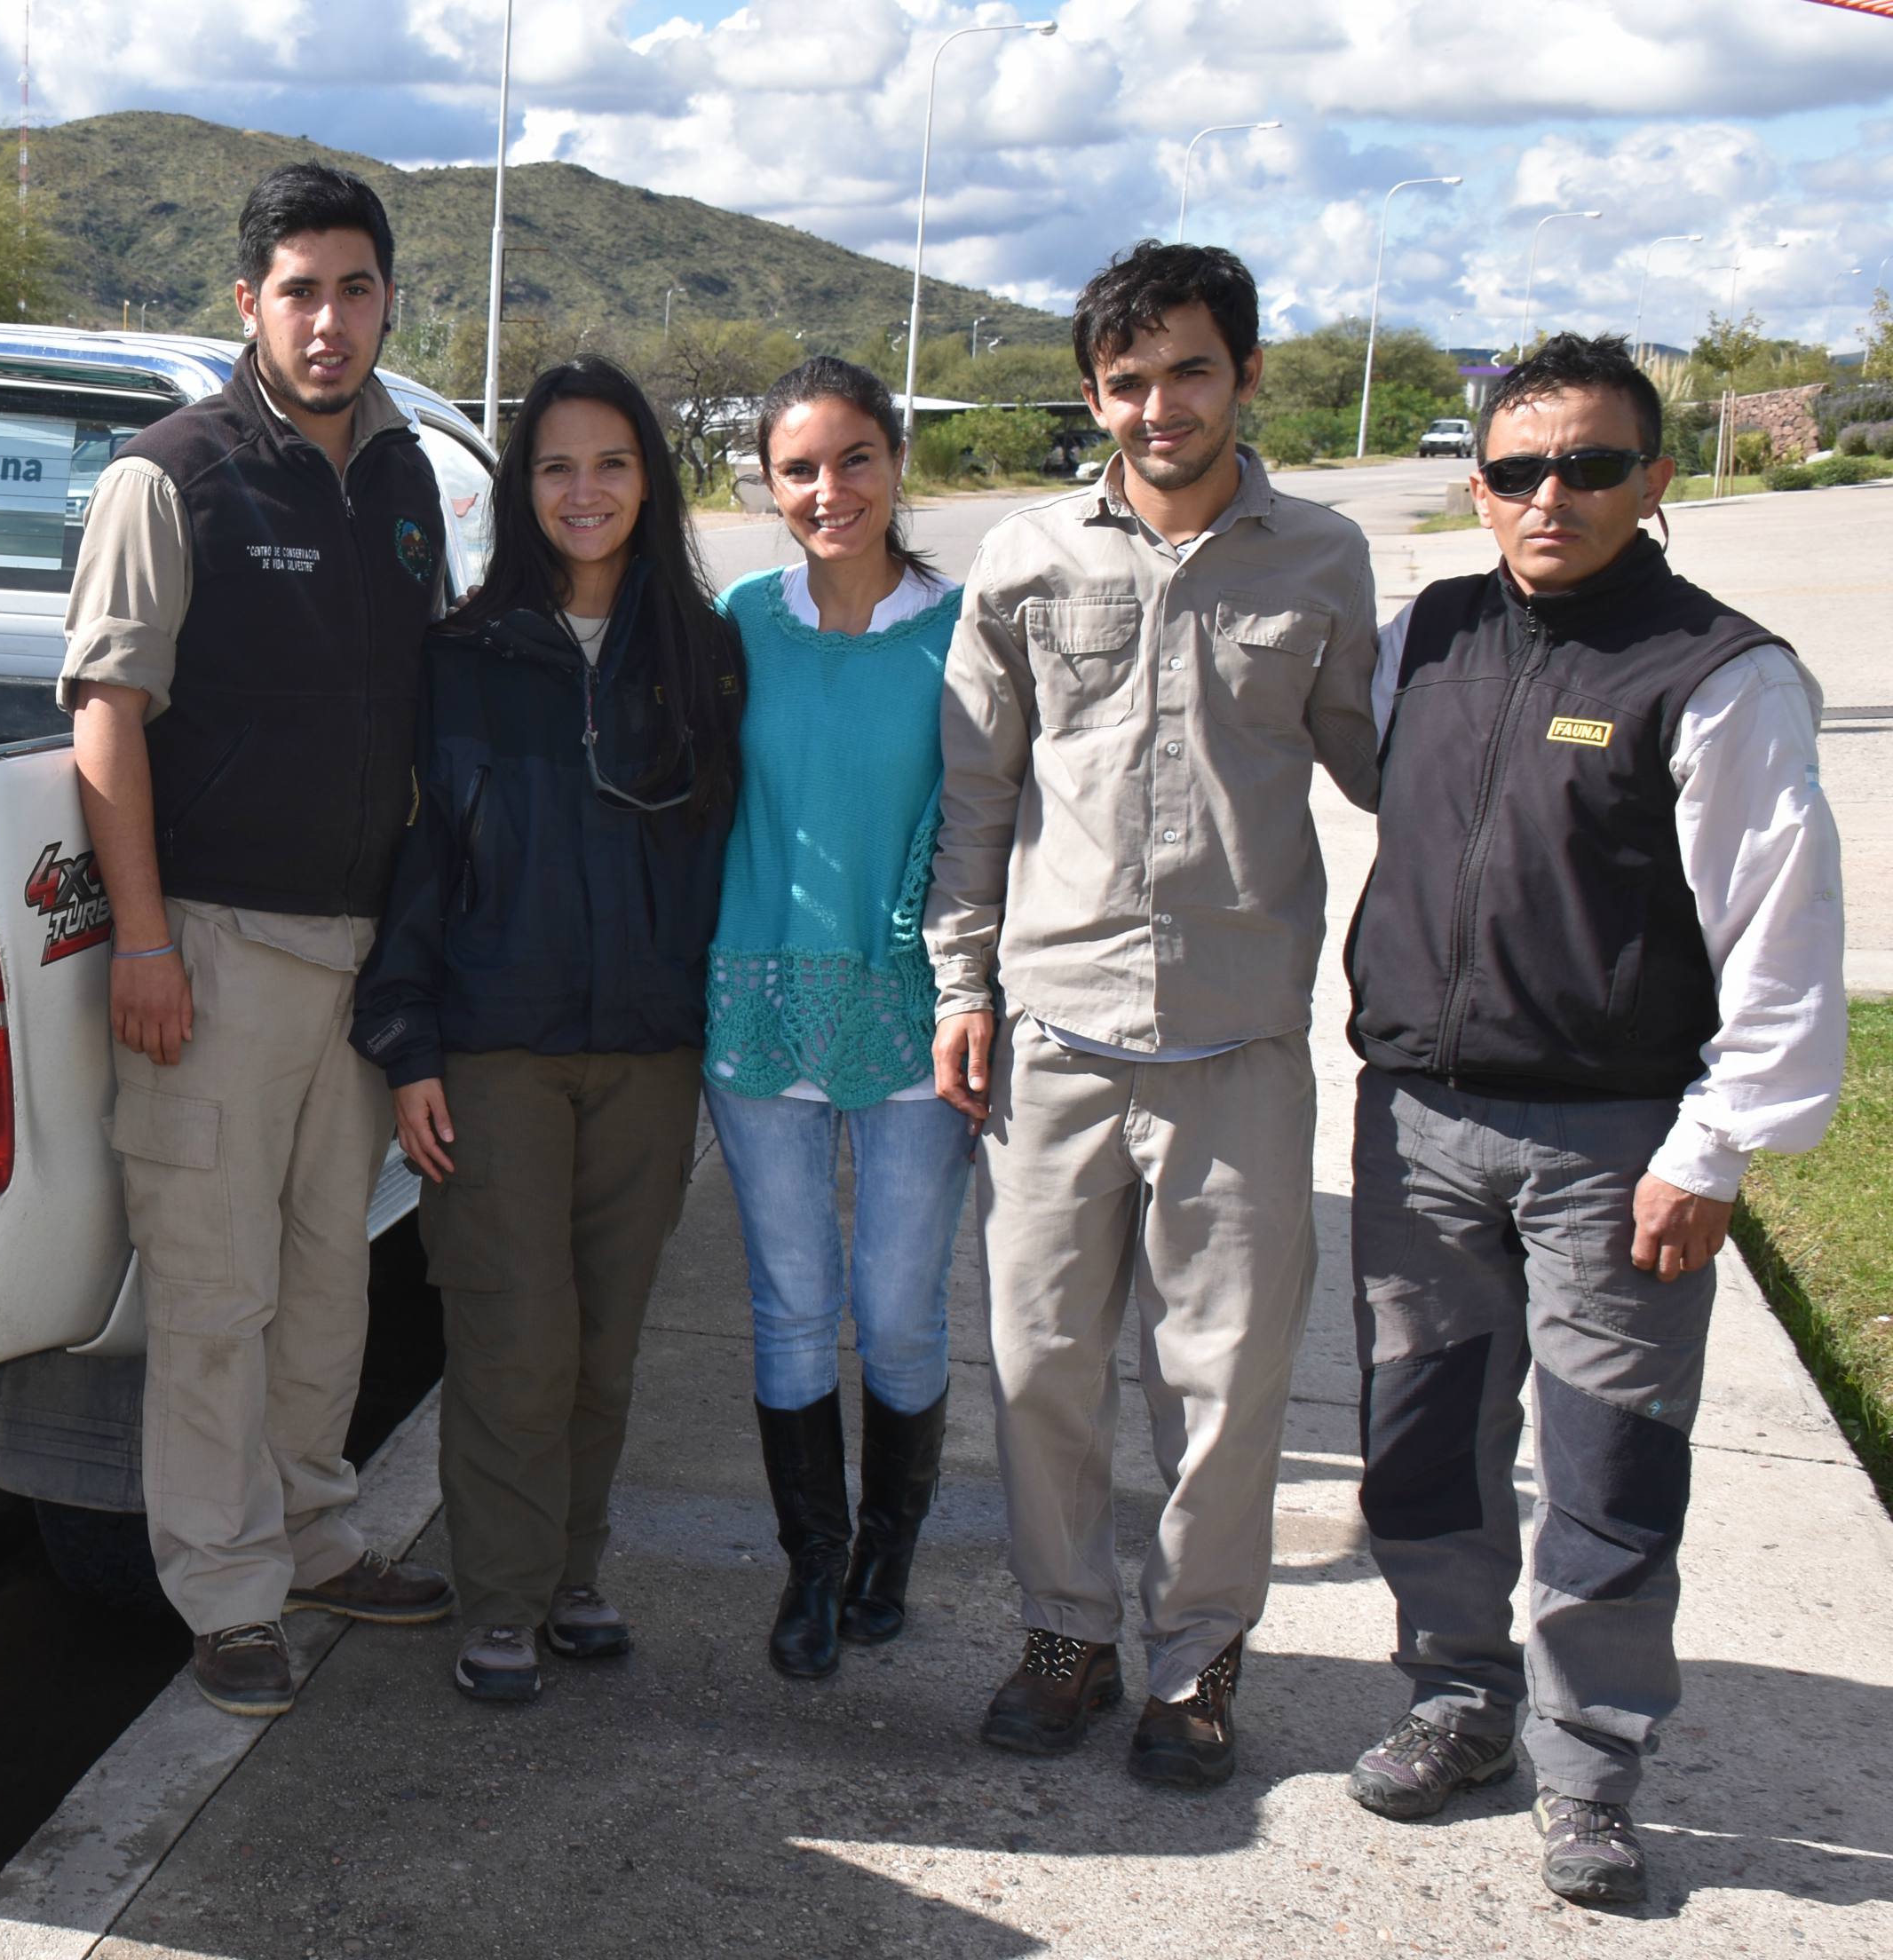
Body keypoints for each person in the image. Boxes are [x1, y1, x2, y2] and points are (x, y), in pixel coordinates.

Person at [1337, 333, 1844, 1906]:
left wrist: (1716, 1145)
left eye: (1590, 467)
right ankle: (1457, 1700)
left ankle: (1591, 1767)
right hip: (1416, 1116)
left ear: (1655, 481)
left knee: (1610, 1463)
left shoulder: (1718, 672)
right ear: (1477, 486)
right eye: (1514, 469)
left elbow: (1781, 928)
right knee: (1424, 1441)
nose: (1548, 496)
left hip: (1614, 1140)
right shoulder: (1423, 633)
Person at [925, 241, 1381, 1788]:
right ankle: (1065, 1634)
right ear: (1092, 394)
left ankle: (1196, 1663)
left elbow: (1378, 763)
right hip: (1055, 1031)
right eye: (1128, 381)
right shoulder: (1026, 557)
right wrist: (961, 983)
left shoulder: (1318, 559)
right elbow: (978, 791)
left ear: (1246, 375)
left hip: (1239, 1039)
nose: (1159, 404)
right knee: (1041, 1359)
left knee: (1227, 1379)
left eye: (1191, 369)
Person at [59, 162, 458, 1719]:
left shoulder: (408, 479)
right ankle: (225, 1595)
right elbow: (108, 718)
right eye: (300, 289)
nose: (330, 319)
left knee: (329, 1284)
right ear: (247, 303)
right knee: (216, 1298)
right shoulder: (173, 477)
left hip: (364, 961)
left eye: (357, 289)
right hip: (216, 953)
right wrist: (145, 945)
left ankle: (315, 1536)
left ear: (382, 304)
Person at [352, 356, 745, 1703]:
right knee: (512, 1335)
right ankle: (502, 1598)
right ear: (523, 491)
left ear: (652, 481)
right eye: (558, 466)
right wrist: (408, 1048)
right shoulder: (459, 659)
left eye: (613, 464)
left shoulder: (706, 653)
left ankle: (576, 1573)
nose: (587, 492)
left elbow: (727, 856)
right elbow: (414, 865)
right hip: (494, 1049)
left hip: (649, 1050)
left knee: (604, 1338)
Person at [701, 357, 972, 1682]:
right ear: (769, 483)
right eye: (799, 468)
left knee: (900, 1309)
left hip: (919, 1018)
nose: (828, 490)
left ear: (896, 461)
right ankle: (811, 1559)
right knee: (795, 1306)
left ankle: (890, 1546)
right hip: (758, 1008)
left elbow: (999, 821)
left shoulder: (968, 630)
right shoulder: (739, 620)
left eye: (853, 458)